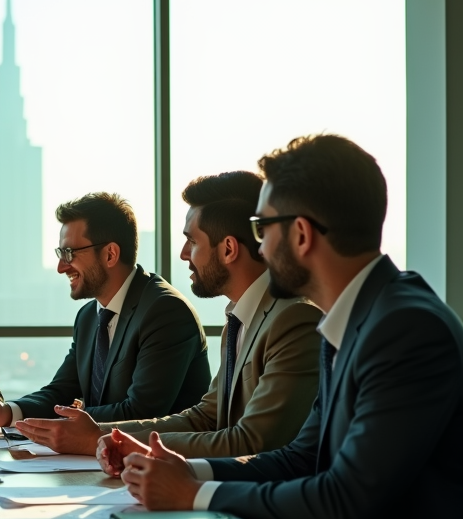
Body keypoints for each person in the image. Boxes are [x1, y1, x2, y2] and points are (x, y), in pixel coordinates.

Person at [103, 135, 463, 519]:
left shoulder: (404, 328)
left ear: (300, 234)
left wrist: (196, 496)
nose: (260, 249)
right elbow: (301, 458)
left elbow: (343, 500)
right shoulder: (355, 319)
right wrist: (189, 470)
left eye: (261, 229)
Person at [16, 172, 322, 457]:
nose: (184, 254)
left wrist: (109, 442)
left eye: (193, 241)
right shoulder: (239, 319)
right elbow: (205, 417)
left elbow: (250, 441)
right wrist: (104, 435)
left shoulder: (292, 320)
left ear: (228, 249)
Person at [0, 192, 210, 435]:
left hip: (163, 468)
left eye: (69, 253)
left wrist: (61, 423)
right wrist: (7, 412)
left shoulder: (165, 312)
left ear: (110, 254)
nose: (60, 267)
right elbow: (62, 391)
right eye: (60, 254)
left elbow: (141, 413)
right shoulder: (90, 316)